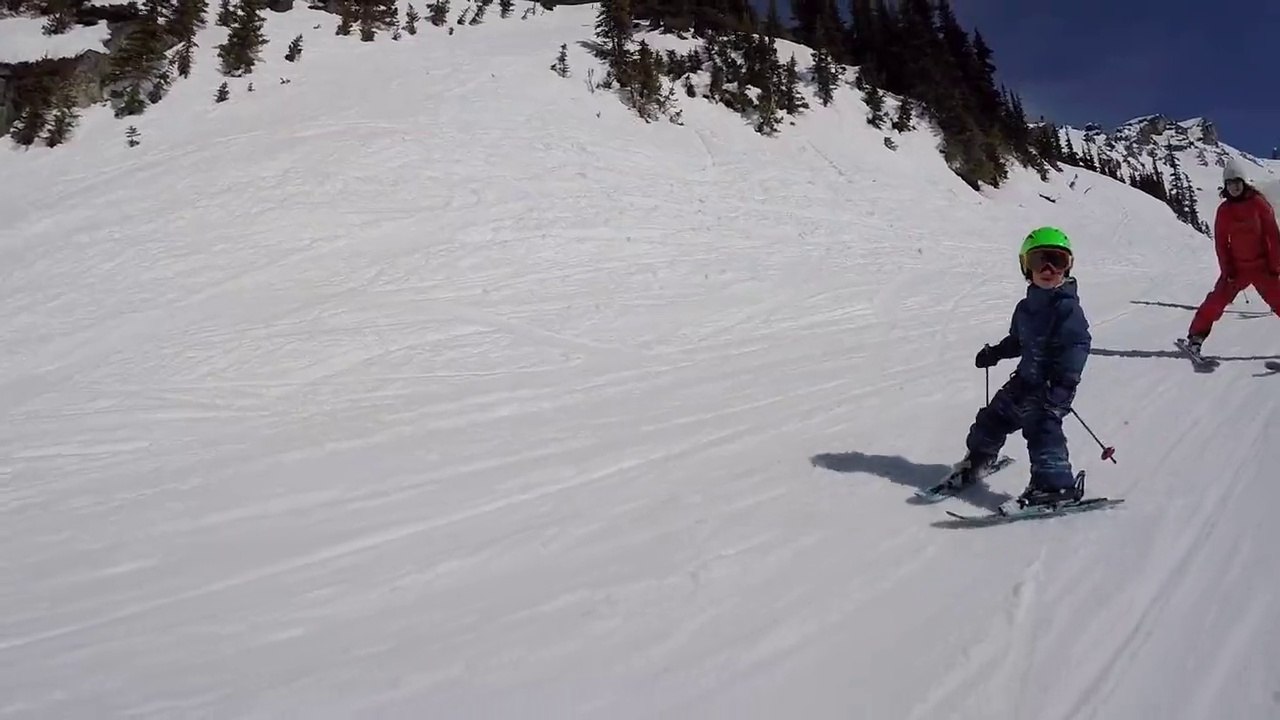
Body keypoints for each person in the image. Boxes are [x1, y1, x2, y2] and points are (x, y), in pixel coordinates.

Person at [953, 226, 1093, 512]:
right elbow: (1018, 341)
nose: (1048, 269)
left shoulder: (1067, 309)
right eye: (1039, 261)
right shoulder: (1025, 308)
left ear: (1067, 267)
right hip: (1024, 381)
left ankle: (1054, 486)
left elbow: (1078, 344)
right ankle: (978, 459)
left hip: (1052, 387)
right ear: (1026, 267)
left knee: (1041, 427)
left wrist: (1065, 382)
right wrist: (995, 353)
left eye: (1057, 261)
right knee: (993, 417)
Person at [1185, 159, 1280, 353]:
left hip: (1263, 268)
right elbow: (1221, 243)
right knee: (1215, 302)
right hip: (1237, 270)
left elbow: (1273, 235)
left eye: (1237, 182)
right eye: (1230, 183)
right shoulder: (1224, 211)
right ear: (1225, 186)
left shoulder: (1259, 204)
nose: (1234, 187)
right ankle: (1196, 337)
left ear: (1244, 183)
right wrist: (1228, 270)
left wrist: (1275, 266)